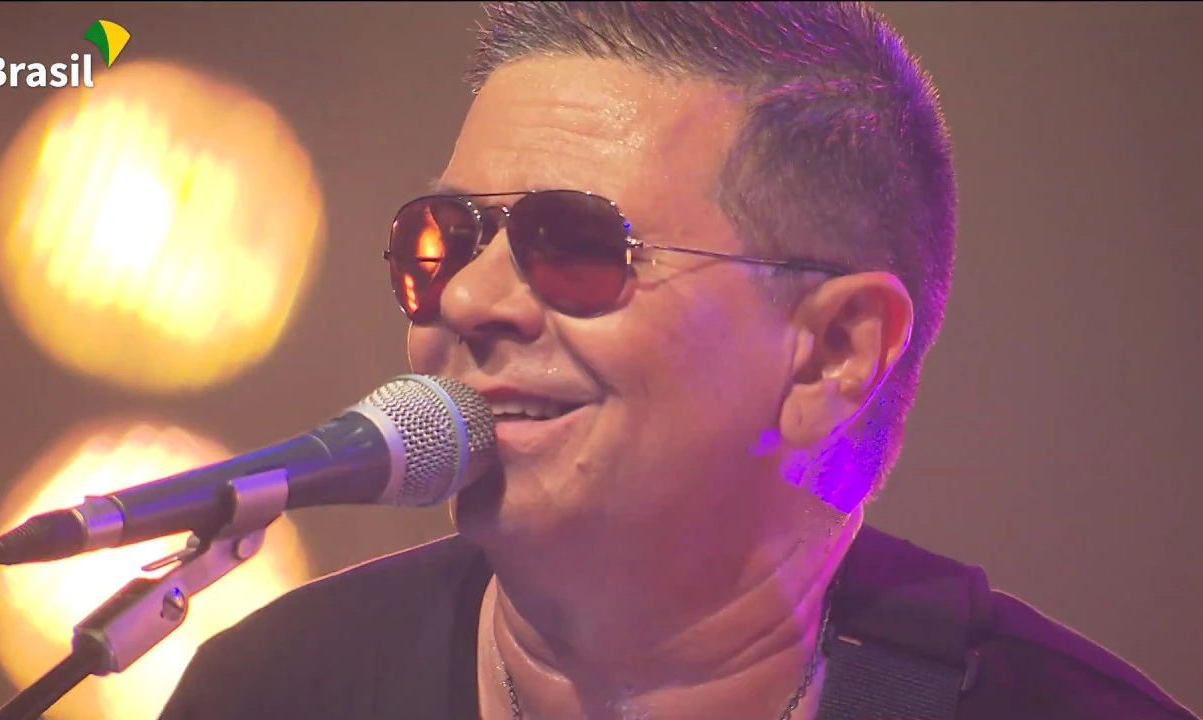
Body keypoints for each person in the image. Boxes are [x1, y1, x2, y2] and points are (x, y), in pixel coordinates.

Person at [159, 3, 1198, 719]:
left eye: (573, 245)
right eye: (446, 237)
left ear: (832, 354)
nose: (468, 299)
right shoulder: (270, 689)